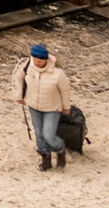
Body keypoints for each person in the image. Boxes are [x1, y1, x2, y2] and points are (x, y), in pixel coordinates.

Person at [13, 43, 73, 171]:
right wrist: (19, 95)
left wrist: (66, 107)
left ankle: (59, 148)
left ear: (46, 59)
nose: (37, 62)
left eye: (40, 60)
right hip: (33, 105)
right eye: (35, 59)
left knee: (48, 134)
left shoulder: (57, 73)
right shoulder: (28, 65)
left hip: (52, 107)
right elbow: (19, 77)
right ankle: (45, 159)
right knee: (39, 133)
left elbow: (65, 91)